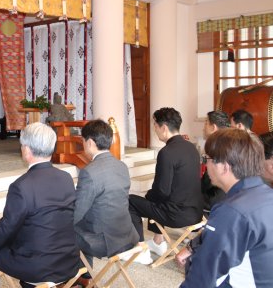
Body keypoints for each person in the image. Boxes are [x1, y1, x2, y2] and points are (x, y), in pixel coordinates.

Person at [0, 122, 79, 287]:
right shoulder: (66, 178)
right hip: (69, 263)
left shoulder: (22, 186)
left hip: (37, 268)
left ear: (26, 150)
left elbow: (8, 228)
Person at [178, 128, 273, 287]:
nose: (205, 164)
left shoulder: (232, 211)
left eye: (207, 158)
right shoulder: (265, 194)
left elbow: (203, 278)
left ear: (224, 166)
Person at [128, 107, 203, 264]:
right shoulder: (191, 147)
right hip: (196, 212)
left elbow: (162, 191)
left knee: (131, 201)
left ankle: (140, 249)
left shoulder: (167, 152)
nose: (155, 129)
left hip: (177, 215)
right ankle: (157, 242)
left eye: (155, 125)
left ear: (163, 127)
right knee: (155, 198)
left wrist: (148, 197)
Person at [74, 120, 139, 268]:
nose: (83, 145)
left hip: (104, 242)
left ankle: (81, 278)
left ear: (90, 142)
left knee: (64, 229)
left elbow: (77, 212)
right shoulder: (121, 166)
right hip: (127, 235)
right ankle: (85, 276)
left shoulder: (89, 172)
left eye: (83, 141)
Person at [201, 110, 230, 210]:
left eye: (205, 123)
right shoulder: (227, 143)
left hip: (215, 204)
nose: (203, 128)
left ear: (213, 127)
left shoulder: (219, 148)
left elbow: (216, 189)